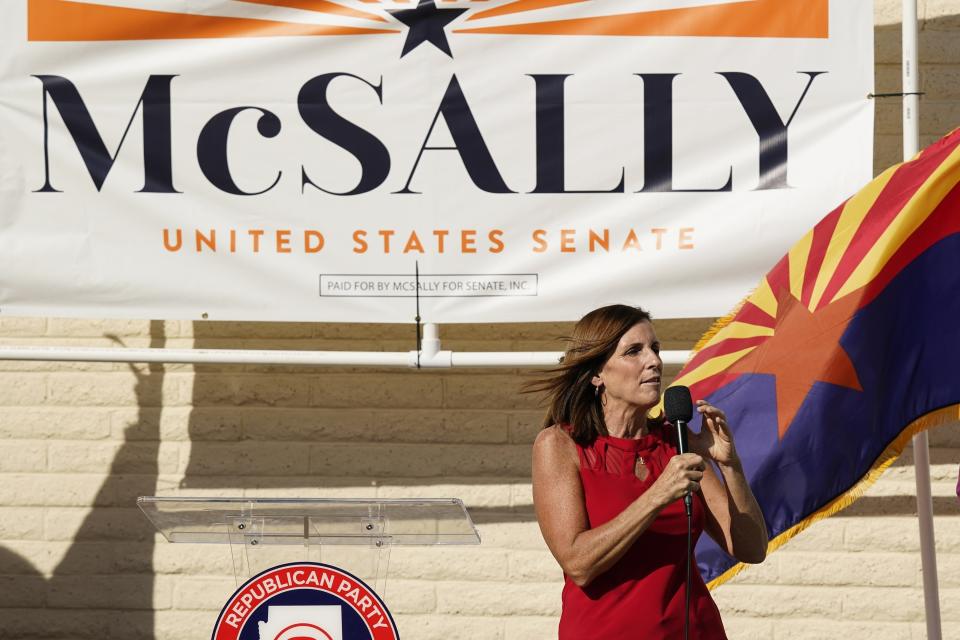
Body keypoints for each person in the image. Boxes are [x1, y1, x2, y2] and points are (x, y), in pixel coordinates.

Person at [529, 304, 768, 639]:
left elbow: (751, 549)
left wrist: (729, 464)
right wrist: (657, 495)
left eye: (655, 349)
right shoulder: (560, 445)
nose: (654, 361)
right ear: (598, 373)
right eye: (633, 351)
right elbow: (578, 564)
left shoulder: (677, 443)